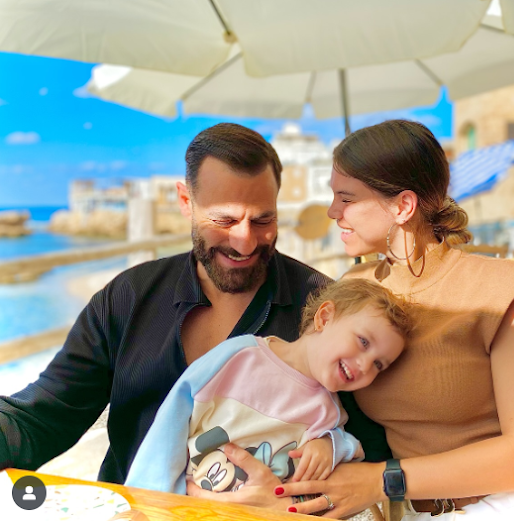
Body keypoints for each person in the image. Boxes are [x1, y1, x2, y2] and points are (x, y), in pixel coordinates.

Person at [204, 120, 514, 519]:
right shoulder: (354, 290)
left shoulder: (502, 292)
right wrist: (304, 454)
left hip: (508, 505)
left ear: (403, 207)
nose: (332, 211)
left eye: (346, 198)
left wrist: (381, 480)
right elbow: (307, 396)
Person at [0, 123, 334, 485]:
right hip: (132, 507)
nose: (245, 242)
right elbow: (45, 415)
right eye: (224, 220)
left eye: (262, 220)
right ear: (186, 202)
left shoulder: (323, 306)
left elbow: (368, 447)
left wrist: (294, 502)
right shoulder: (127, 296)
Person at [125, 278, 413, 497]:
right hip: (187, 506)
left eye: (379, 364)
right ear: (324, 318)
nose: (364, 365)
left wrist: (329, 446)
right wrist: (149, 498)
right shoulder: (239, 357)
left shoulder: (328, 412)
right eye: (363, 342)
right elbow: (173, 418)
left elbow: (348, 448)